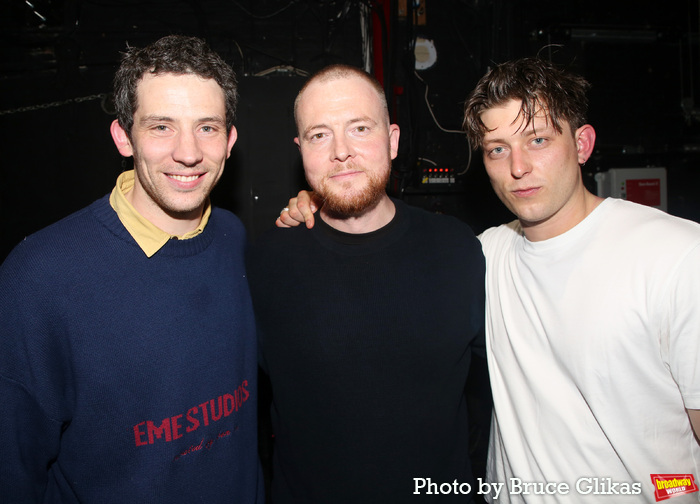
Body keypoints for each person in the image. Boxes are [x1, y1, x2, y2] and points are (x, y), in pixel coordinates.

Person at [282, 57, 700, 502]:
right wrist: (319, 199)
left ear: (582, 144)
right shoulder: (481, 254)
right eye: (497, 148)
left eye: (538, 140)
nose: (518, 167)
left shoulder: (675, 255)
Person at [0, 35, 263, 503]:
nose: (188, 152)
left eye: (207, 127)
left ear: (230, 141)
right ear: (124, 137)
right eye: (161, 126)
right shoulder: (38, 278)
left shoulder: (233, 237)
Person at [247, 64, 489, 503]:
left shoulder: (458, 249)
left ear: (392, 141)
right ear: (301, 150)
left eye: (359, 128)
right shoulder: (265, 263)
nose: (341, 151)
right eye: (320, 135)